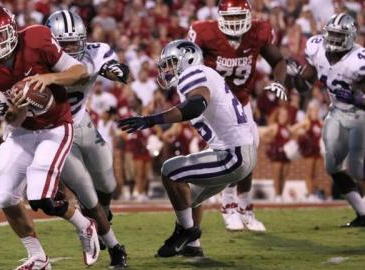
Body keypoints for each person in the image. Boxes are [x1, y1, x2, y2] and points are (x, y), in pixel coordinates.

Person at [0, 6, 98, 269]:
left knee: (42, 198)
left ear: (12, 29)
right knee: (4, 198)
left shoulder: (37, 39)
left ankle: (85, 226)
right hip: (20, 131)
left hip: (55, 126)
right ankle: (38, 257)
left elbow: (80, 73)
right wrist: (0, 108)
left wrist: (48, 78)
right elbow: (10, 115)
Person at [119, 40, 256, 258]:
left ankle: (187, 231)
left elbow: (195, 106)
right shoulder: (202, 76)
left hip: (233, 154)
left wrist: (152, 120)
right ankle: (193, 247)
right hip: (234, 150)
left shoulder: (193, 74)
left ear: (189, 59)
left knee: (171, 170)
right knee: (190, 197)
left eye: (172, 63)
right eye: (165, 65)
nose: (167, 69)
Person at [187, 0, 288, 236]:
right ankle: (228, 204)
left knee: (250, 153)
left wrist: (279, 81)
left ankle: (244, 207)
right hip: (216, 103)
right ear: (221, 17)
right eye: (229, 18)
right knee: (235, 152)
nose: (234, 22)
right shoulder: (204, 32)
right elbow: (191, 67)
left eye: (238, 17)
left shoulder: (259, 31)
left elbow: (279, 61)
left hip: (242, 101)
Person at [45, 10, 128, 268]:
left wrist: (117, 71)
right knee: (85, 193)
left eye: (74, 41)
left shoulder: (96, 51)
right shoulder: (39, 60)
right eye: (64, 43)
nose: (70, 48)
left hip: (82, 123)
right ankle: (115, 247)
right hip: (55, 131)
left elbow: (113, 68)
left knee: (107, 182)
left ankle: (104, 216)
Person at [287, 13, 365, 227]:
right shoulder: (316, 48)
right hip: (337, 112)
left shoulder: (359, 61)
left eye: (339, 36)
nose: (333, 40)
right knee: (332, 165)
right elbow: (305, 87)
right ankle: (362, 212)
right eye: (331, 35)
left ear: (350, 37)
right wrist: (295, 77)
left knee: (358, 169)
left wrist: (358, 99)